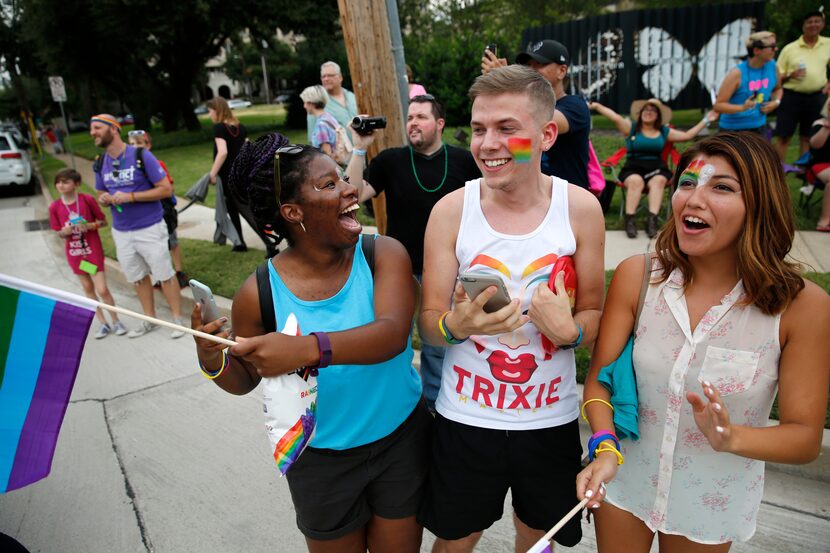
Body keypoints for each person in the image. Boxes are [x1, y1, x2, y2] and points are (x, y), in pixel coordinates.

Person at [577, 132, 830, 552]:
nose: (693, 199)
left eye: (722, 187)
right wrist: (604, 446)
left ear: (760, 205)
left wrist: (733, 438)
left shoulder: (803, 307)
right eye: (688, 183)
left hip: (710, 502)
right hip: (625, 482)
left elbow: (804, 438)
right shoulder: (636, 277)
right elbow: (599, 383)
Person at [191, 134, 430, 553]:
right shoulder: (259, 291)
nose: (349, 188)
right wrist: (213, 360)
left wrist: (305, 348)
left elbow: (392, 335)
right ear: (292, 212)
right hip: (318, 460)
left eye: (341, 178)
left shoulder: (382, 254)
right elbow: (245, 377)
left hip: (399, 442)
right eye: (330, 185)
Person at [417, 65, 605, 552]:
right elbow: (428, 325)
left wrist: (570, 333)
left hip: (549, 422)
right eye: (479, 130)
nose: (487, 144)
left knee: (537, 536)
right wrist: (455, 326)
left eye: (507, 129)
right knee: (456, 538)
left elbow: (594, 315)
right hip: (466, 418)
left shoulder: (580, 209)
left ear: (545, 136)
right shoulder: (452, 211)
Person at [346, 94, 481, 409]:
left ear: (440, 124)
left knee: (437, 344)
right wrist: (359, 147)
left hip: (448, 270)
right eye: (409, 117)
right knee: (395, 339)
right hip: (400, 270)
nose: (413, 123)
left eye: (421, 117)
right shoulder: (391, 160)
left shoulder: (463, 160)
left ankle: (435, 404)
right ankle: (397, 400)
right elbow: (351, 196)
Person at [90, 113, 185, 339]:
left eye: (96, 128)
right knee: (138, 277)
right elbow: (101, 190)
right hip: (121, 231)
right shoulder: (100, 162)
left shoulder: (141, 155)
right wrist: (103, 198)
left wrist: (131, 197)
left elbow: (165, 189)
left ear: (113, 129)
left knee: (164, 275)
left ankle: (177, 320)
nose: (92, 132)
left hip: (149, 227)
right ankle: (150, 319)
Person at [590, 98, 715, 238]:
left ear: (658, 116)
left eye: (653, 110)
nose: (648, 112)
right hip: (633, 168)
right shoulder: (631, 128)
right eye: (646, 109)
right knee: (636, 182)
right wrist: (596, 106)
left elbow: (687, 135)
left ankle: (652, 221)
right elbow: (614, 116)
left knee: (659, 181)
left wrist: (706, 120)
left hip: (657, 169)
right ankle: (630, 220)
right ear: (641, 113)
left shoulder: (664, 131)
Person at [482, 39, 591, 189]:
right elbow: (521, 156)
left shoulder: (576, 106)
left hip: (568, 200)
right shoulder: (516, 107)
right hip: (529, 196)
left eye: (540, 64)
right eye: (528, 65)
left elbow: (540, 119)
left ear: (562, 71)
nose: (532, 70)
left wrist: (508, 84)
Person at [48, 167, 129, 339]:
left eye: (65, 181)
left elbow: (103, 221)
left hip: (92, 250)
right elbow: (57, 231)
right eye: (58, 182)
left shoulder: (86, 200)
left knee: (102, 289)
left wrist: (90, 226)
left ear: (76, 184)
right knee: (87, 288)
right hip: (74, 253)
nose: (61, 185)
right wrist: (65, 231)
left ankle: (116, 321)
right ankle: (103, 323)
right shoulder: (55, 206)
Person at [127, 129, 188, 289]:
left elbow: (170, 186)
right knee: (155, 245)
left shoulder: (156, 164)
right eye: (132, 144)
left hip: (163, 209)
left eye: (140, 143)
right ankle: (162, 274)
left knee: (171, 241)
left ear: (148, 145)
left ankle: (179, 272)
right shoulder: (131, 169)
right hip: (144, 212)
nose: (136, 147)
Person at [774, 9, 830, 161]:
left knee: (807, 136)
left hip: (817, 96)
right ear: (803, 26)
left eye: (817, 21)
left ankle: (803, 172)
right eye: (810, 22)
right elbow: (777, 76)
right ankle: (778, 172)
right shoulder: (790, 48)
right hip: (791, 96)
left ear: (823, 24)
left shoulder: (828, 44)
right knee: (784, 136)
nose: (814, 25)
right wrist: (790, 75)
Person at [714, 31, 782, 135]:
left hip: (760, 127)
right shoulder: (737, 74)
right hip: (733, 130)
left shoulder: (773, 66)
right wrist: (742, 108)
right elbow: (718, 105)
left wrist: (776, 102)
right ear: (756, 50)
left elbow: (778, 89)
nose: (776, 49)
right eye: (772, 46)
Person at [207, 97, 250, 252]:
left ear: (217, 110)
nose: (209, 114)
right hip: (242, 174)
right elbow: (247, 150)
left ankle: (240, 243)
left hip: (227, 175)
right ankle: (265, 242)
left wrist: (212, 173)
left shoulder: (219, 128)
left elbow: (222, 152)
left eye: (210, 111)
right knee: (245, 207)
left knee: (234, 209)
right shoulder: (241, 127)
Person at [307, 61, 358, 144]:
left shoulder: (352, 96)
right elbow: (313, 139)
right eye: (323, 76)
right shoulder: (316, 102)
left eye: (330, 75)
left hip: (361, 153)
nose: (326, 79)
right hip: (334, 155)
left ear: (340, 77)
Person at [300, 85, 339, 160]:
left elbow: (327, 154)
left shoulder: (321, 125)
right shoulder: (329, 117)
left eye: (305, 102)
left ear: (311, 103)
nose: (304, 106)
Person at [808, 96, 830, 231]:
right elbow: (815, 145)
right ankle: (824, 220)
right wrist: (828, 126)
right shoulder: (820, 124)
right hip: (820, 165)